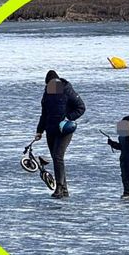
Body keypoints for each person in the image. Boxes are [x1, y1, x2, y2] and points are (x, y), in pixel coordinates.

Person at [35, 69, 86, 199]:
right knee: (56, 159)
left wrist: (68, 118)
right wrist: (39, 131)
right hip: (50, 130)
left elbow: (81, 107)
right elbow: (44, 114)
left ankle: (59, 188)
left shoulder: (67, 90)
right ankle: (64, 189)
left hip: (65, 130)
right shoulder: (47, 93)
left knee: (58, 157)